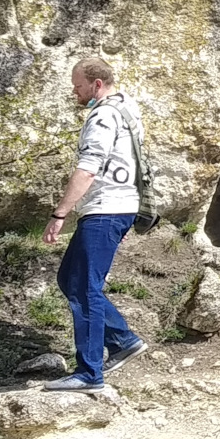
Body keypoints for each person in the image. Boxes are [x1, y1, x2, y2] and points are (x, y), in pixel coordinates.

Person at [41, 57, 149, 392]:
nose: (75, 92)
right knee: (70, 278)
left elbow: (88, 168)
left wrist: (60, 214)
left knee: (86, 287)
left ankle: (89, 374)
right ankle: (122, 340)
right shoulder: (128, 109)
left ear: (96, 84)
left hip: (105, 210)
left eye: (77, 86)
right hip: (120, 208)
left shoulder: (102, 114)